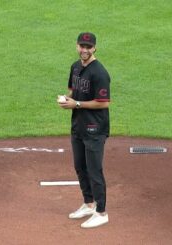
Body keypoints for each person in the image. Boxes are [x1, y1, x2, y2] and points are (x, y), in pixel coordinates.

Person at [57, 32, 111, 228]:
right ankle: (89, 204)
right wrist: (65, 99)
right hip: (78, 126)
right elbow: (72, 91)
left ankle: (101, 212)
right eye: (82, 46)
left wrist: (77, 104)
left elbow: (103, 103)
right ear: (77, 46)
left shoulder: (100, 73)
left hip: (95, 128)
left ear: (95, 48)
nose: (85, 50)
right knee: (80, 167)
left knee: (94, 170)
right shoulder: (75, 67)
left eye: (88, 47)